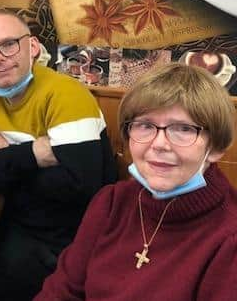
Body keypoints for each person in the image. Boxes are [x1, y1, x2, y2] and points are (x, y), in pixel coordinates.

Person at [35, 63, 237, 300]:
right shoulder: (111, 203)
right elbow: (61, 291)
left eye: (183, 128)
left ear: (216, 148)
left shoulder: (228, 240)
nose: (159, 144)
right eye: (145, 125)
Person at [0, 12, 117, 300]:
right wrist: (36, 152)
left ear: (33, 47)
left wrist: (8, 159)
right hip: (12, 218)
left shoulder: (66, 95)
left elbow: (80, 187)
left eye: (8, 44)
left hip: (66, 236)